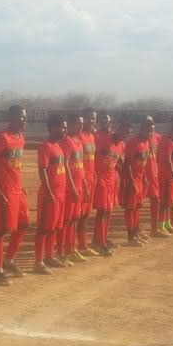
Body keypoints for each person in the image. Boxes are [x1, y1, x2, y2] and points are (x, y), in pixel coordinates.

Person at [0, 105, 30, 284]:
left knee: (24, 224)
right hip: (5, 191)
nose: (24, 120)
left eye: (25, 117)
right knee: (1, 230)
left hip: (18, 190)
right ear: (11, 118)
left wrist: (22, 186)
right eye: (21, 117)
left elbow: (15, 166)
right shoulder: (2, 138)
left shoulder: (21, 137)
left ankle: (9, 260)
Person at [34, 114, 70, 274]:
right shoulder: (46, 147)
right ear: (53, 128)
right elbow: (42, 170)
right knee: (43, 228)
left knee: (54, 227)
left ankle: (50, 256)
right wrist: (49, 193)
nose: (65, 130)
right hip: (49, 195)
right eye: (62, 127)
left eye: (65, 127)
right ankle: (38, 261)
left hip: (60, 195)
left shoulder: (59, 147)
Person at [93, 116, 126, 254]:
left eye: (108, 121)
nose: (106, 124)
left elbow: (117, 161)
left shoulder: (121, 144)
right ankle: (99, 242)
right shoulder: (97, 137)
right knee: (102, 211)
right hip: (100, 179)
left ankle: (103, 238)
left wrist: (122, 171)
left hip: (112, 181)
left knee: (108, 211)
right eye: (103, 121)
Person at [58, 114, 88, 264]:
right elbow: (66, 166)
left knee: (75, 218)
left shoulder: (79, 141)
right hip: (70, 189)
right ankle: (62, 251)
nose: (81, 126)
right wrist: (72, 187)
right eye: (77, 123)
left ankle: (71, 248)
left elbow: (81, 166)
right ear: (69, 124)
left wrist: (84, 185)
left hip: (79, 186)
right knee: (67, 220)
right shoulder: (66, 142)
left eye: (81, 123)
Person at [123, 117, 152, 245]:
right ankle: (130, 237)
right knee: (130, 208)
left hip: (140, 180)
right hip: (132, 180)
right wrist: (131, 181)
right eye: (147, 130)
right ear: (141, 129)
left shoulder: (147, 143)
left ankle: (135, 233)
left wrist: (144, 177)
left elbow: (143, 163)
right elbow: (127, 164)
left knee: (137, 207)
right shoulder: (133, 143)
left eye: (151, 131)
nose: (150, 133)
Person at [75, 108, 98, 257]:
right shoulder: (79, 137)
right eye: (89, 118)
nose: (91, 121)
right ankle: (71, 247)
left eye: (94, 118)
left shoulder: (91, 137)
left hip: (90, 181)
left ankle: (83, 245)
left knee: (85, 215)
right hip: (81, 182)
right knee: (77, 216)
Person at [156, 120, 173, 236]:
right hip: (167, 177)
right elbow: (168, 161)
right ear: (172, 131)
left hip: (172, 177)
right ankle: (161, 226)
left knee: (169, 202)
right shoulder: (166, 141)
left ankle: (167, 224)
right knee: (164, 203)